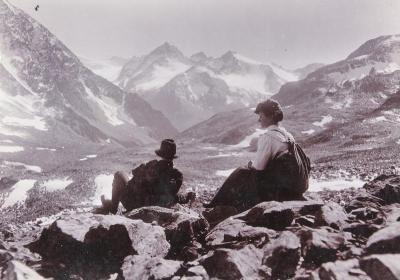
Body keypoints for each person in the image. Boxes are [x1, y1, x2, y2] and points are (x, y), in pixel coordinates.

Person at [206, 99, 310, 212]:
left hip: (280, 189)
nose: (259, 119)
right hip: (296, 186)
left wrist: (251, 165)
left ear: (270, 117)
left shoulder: (269, 137)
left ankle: (217, 204)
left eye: (261, 116)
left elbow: (259, 167)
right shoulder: (288, 135)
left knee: (241, 171)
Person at [96, 139, 194, 214]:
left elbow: (134, 173)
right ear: (173, 156)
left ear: (160, 154)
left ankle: (113, 207)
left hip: (134, 204)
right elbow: (172, 195)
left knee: (119, 174)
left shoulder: (152, 165)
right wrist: (185, 197)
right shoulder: (178, 175)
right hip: (155, 206)